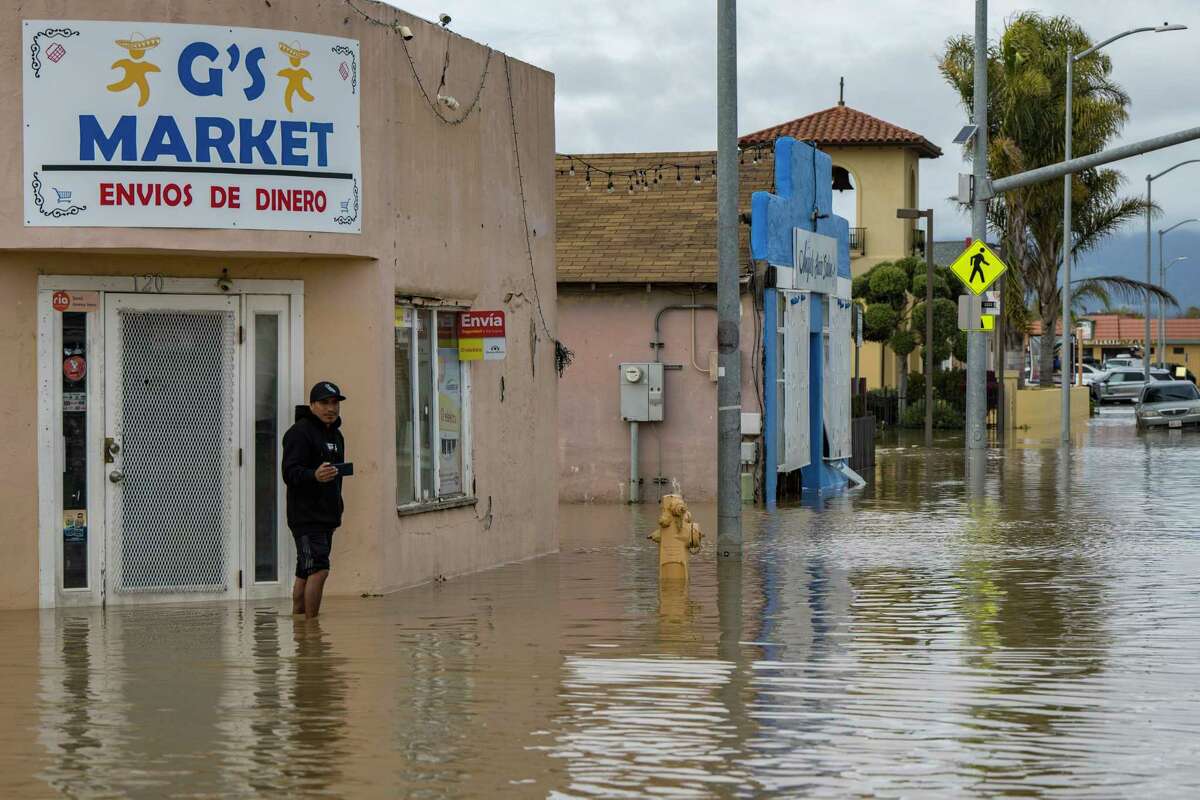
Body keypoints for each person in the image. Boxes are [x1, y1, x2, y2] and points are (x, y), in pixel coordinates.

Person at [282, 381, 347, 618]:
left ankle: (298, 622)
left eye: (335, 403)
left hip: (327, 514)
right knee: (319, 570)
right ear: (312, 405)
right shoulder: (299, 433)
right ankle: (311, 631)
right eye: (324, 403)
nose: (331, 408)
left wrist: (337, 505)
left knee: (305, 570)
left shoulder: (337, 435)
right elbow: (289, 473)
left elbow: (336, 474)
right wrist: (313, 475)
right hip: (306, 515)